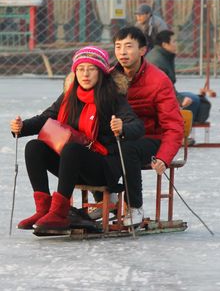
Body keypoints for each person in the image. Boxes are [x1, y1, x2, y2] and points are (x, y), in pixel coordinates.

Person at [10, 46, 144, 235]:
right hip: (71, 164)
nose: (85, 74)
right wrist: (22, 127)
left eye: (91, 69)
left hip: (102, 167)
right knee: (34, 147)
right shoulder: (69, 96)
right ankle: (44, 210)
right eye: (80, 69)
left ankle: (59, 213)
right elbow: (45, 119)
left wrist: (122, 127)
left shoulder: (112, 98)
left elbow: (137, 126)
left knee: (72, 149)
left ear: (101, 72)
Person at [108, 26, 184, 226]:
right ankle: (107, 201)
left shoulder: (158, 80)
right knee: (90, 145)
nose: (122, 52)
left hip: (150, 140)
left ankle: (134, 207)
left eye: (128, 47)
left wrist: (164, 157)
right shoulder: (109, 77)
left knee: (127, 148)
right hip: (117, 135)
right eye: (118, 47)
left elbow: (174, 126)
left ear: (143, 50)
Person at [146, 29, 201, 122]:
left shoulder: (164, 55)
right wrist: (180, 99)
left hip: (162, 94)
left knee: (195, 98)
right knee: (194, 100)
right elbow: (163, 87)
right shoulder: (158, 61)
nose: (176, 44)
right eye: (174, 41)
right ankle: (182, 130)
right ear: (164, 44)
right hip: (156, 98)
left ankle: (184, 129)